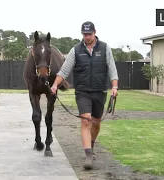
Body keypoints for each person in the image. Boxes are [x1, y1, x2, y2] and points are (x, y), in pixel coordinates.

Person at [50, 21, 119, 170]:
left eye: (89, 34)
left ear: (95, 32)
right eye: (85, 34)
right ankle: (88, 155)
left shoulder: (105, 48)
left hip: (100, 91)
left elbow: (112, 68)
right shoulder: (76, 50)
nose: (87, 37)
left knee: (96, 122)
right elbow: (64, 70)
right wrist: (55, 85)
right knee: (86, 120)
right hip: (82, 92)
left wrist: (114, 86)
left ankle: (91, 144)